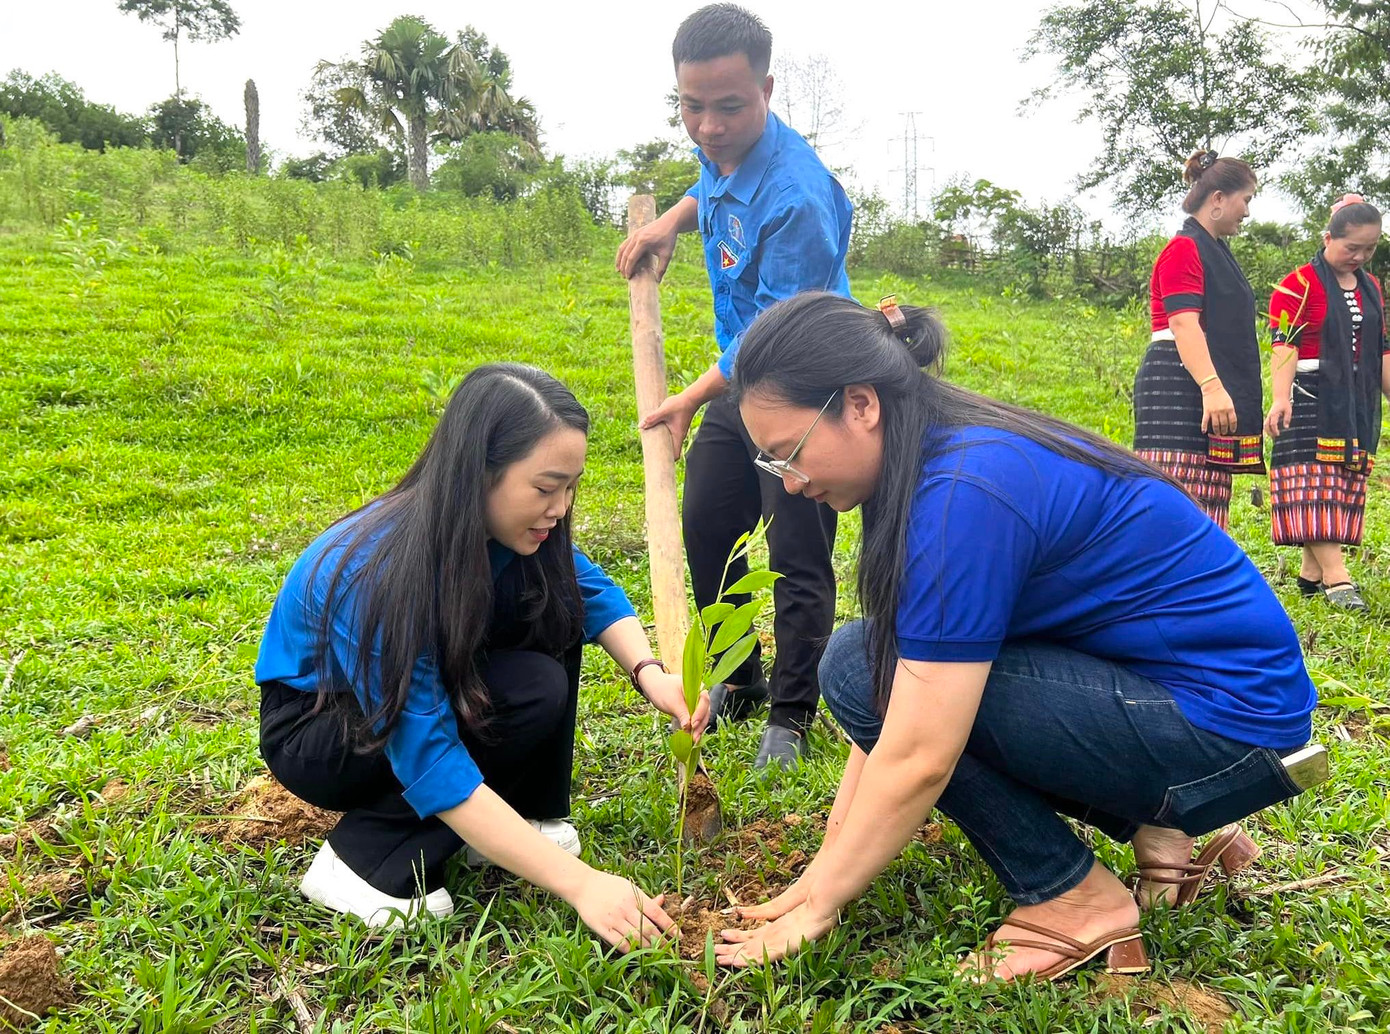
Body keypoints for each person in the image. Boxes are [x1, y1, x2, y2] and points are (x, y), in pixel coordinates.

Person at [712, 293, 1319, 981]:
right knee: (866, 661)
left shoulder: (963, 492)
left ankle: (1075, 897)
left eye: (786, 454)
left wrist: (818, 905)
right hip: (1210, 711)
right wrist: (823, 869)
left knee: (853, 664)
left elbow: (915, 749)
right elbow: (887, 703)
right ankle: (1162, 826)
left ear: (860, 405)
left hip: (1224, 731)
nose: (788, 485)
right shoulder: (944, 452)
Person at [254, 363, 709, 946]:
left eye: (571, 486)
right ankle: (362, 861)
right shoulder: (378, 572)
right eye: (545, 488)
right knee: (454, 740)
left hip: (397, 705)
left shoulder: (508, 534)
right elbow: (429, 756)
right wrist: (583, 885)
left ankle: (522, 818)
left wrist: (651, 675)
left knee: (550, 621)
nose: (561, 507)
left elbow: (591, 591)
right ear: (478, 472)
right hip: (323, 728)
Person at [615, 3, 854, 769]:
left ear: (767, 90)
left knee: (796, 549)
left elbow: (771, 339)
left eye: (729, 107)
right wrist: (668, 226)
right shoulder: (721, 155)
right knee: (709, 525)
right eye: (692, 107)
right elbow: (709, 189)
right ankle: (738, 679)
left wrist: (686, 397)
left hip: (808, 389)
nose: (710, 126)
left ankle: (792, 714)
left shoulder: (798, 198)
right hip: (740, 385)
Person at [1266, 195, 1387, 611]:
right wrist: (1280, 397)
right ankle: (1338, 579)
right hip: (1309, 393)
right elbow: (1284, 343)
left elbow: (1381, 349)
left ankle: (1310, 574)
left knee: (1341, 481)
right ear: (1328, 237)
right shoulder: (1298, 284)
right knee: (1312, 483)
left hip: (1355, 398)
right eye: (1351, 247)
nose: (1359, 256)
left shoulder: (1371, 288)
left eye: (1369, 248)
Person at [1134, 150, 1264, 529]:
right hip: (1180, 378)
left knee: (1206, 491)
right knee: (1179, 493)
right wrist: (1211, 386)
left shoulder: (1216, 251)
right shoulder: (1184, 249)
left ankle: (1197, 583)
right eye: (1246, 200)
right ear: (1219, 199)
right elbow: (1184, 324)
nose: (1248, 211)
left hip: (1199, 373)